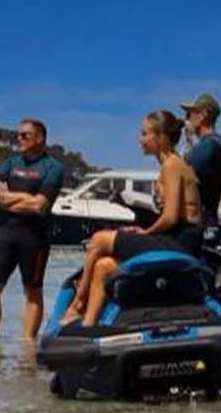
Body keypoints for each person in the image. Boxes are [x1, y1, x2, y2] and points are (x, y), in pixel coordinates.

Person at [63, 110, 202, 327]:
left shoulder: (172, 166)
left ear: (161, 138)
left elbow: (171, 217)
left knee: (99, 239)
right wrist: (143, 231)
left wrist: (146, 233)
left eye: (145, 134)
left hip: (182, 241)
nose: (140, 139)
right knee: (103, 266)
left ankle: (77, 303)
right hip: (174, 238)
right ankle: (88, 326)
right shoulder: (172, 165)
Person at [0, 118, 65, 340]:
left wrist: (9, 198)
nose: (19, 139)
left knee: (32, 292)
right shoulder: (9, 164)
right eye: (17, 135)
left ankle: (28, 347)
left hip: (35, 237)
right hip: (6, 233)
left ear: (40, 138)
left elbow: (40, 206)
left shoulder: (53, 168)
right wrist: (25, 199)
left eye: (24, 135)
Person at [181, 93, 221, 230]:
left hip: (199, 226)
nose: (187, 120)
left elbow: (181, 173)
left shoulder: (210, 146)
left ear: (203, 115)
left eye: (189, 115)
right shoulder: (218, 144)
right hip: (208, 222)